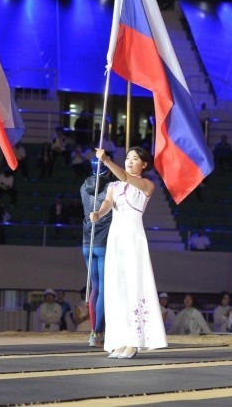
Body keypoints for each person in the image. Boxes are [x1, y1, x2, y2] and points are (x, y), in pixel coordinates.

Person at [90, 146, 167, 358]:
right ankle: (119, 340)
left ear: (144, 164)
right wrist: (98, 213)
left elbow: (125, 176)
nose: (130, 161)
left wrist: (105, 160)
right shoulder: (114, 185)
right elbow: (107, 203)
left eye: (135, 159)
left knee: (134, 286)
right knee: (116, 288)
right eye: (127, 158)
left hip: (134, 238)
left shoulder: (146, 185)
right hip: (116, 239)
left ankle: (135, 341)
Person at [80, 156, 115, 347]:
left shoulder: (83, 186)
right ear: (107, 169)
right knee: (103, 288)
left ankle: (93, 333)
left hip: (87, 243)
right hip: (104, 243)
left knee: (94, 288)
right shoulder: (112, 187)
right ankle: (98, 332)